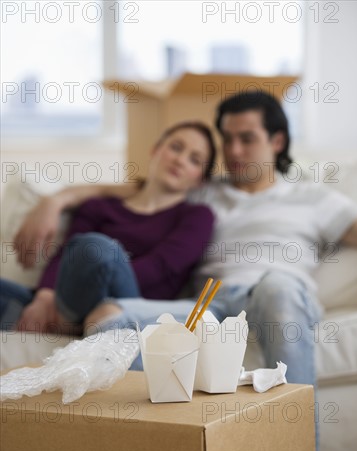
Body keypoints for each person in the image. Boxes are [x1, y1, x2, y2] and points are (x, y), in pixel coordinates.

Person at [9, 91, 357, 386]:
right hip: (207, 304)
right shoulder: (204, 193)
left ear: (277, 141)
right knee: (109, 315)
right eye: (227, 139)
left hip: (276, 292)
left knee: (278, 288)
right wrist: (56, 199)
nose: (234, 151)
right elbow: (136, 190)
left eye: (247, 139)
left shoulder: (314, 197)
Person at [0, 121, 216, 334]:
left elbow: (159, 268)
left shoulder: (197, 217)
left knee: (96, 248)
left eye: (194, 160)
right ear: (156, 150)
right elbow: (66, 255)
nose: (180, 160)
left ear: (200, 181)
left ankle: (66, 320)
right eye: (176, 147)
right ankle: (61, 320)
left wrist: (103, 268)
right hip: (69, 297)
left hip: (126, 306)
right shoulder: (99, 206)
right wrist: (44, 297)